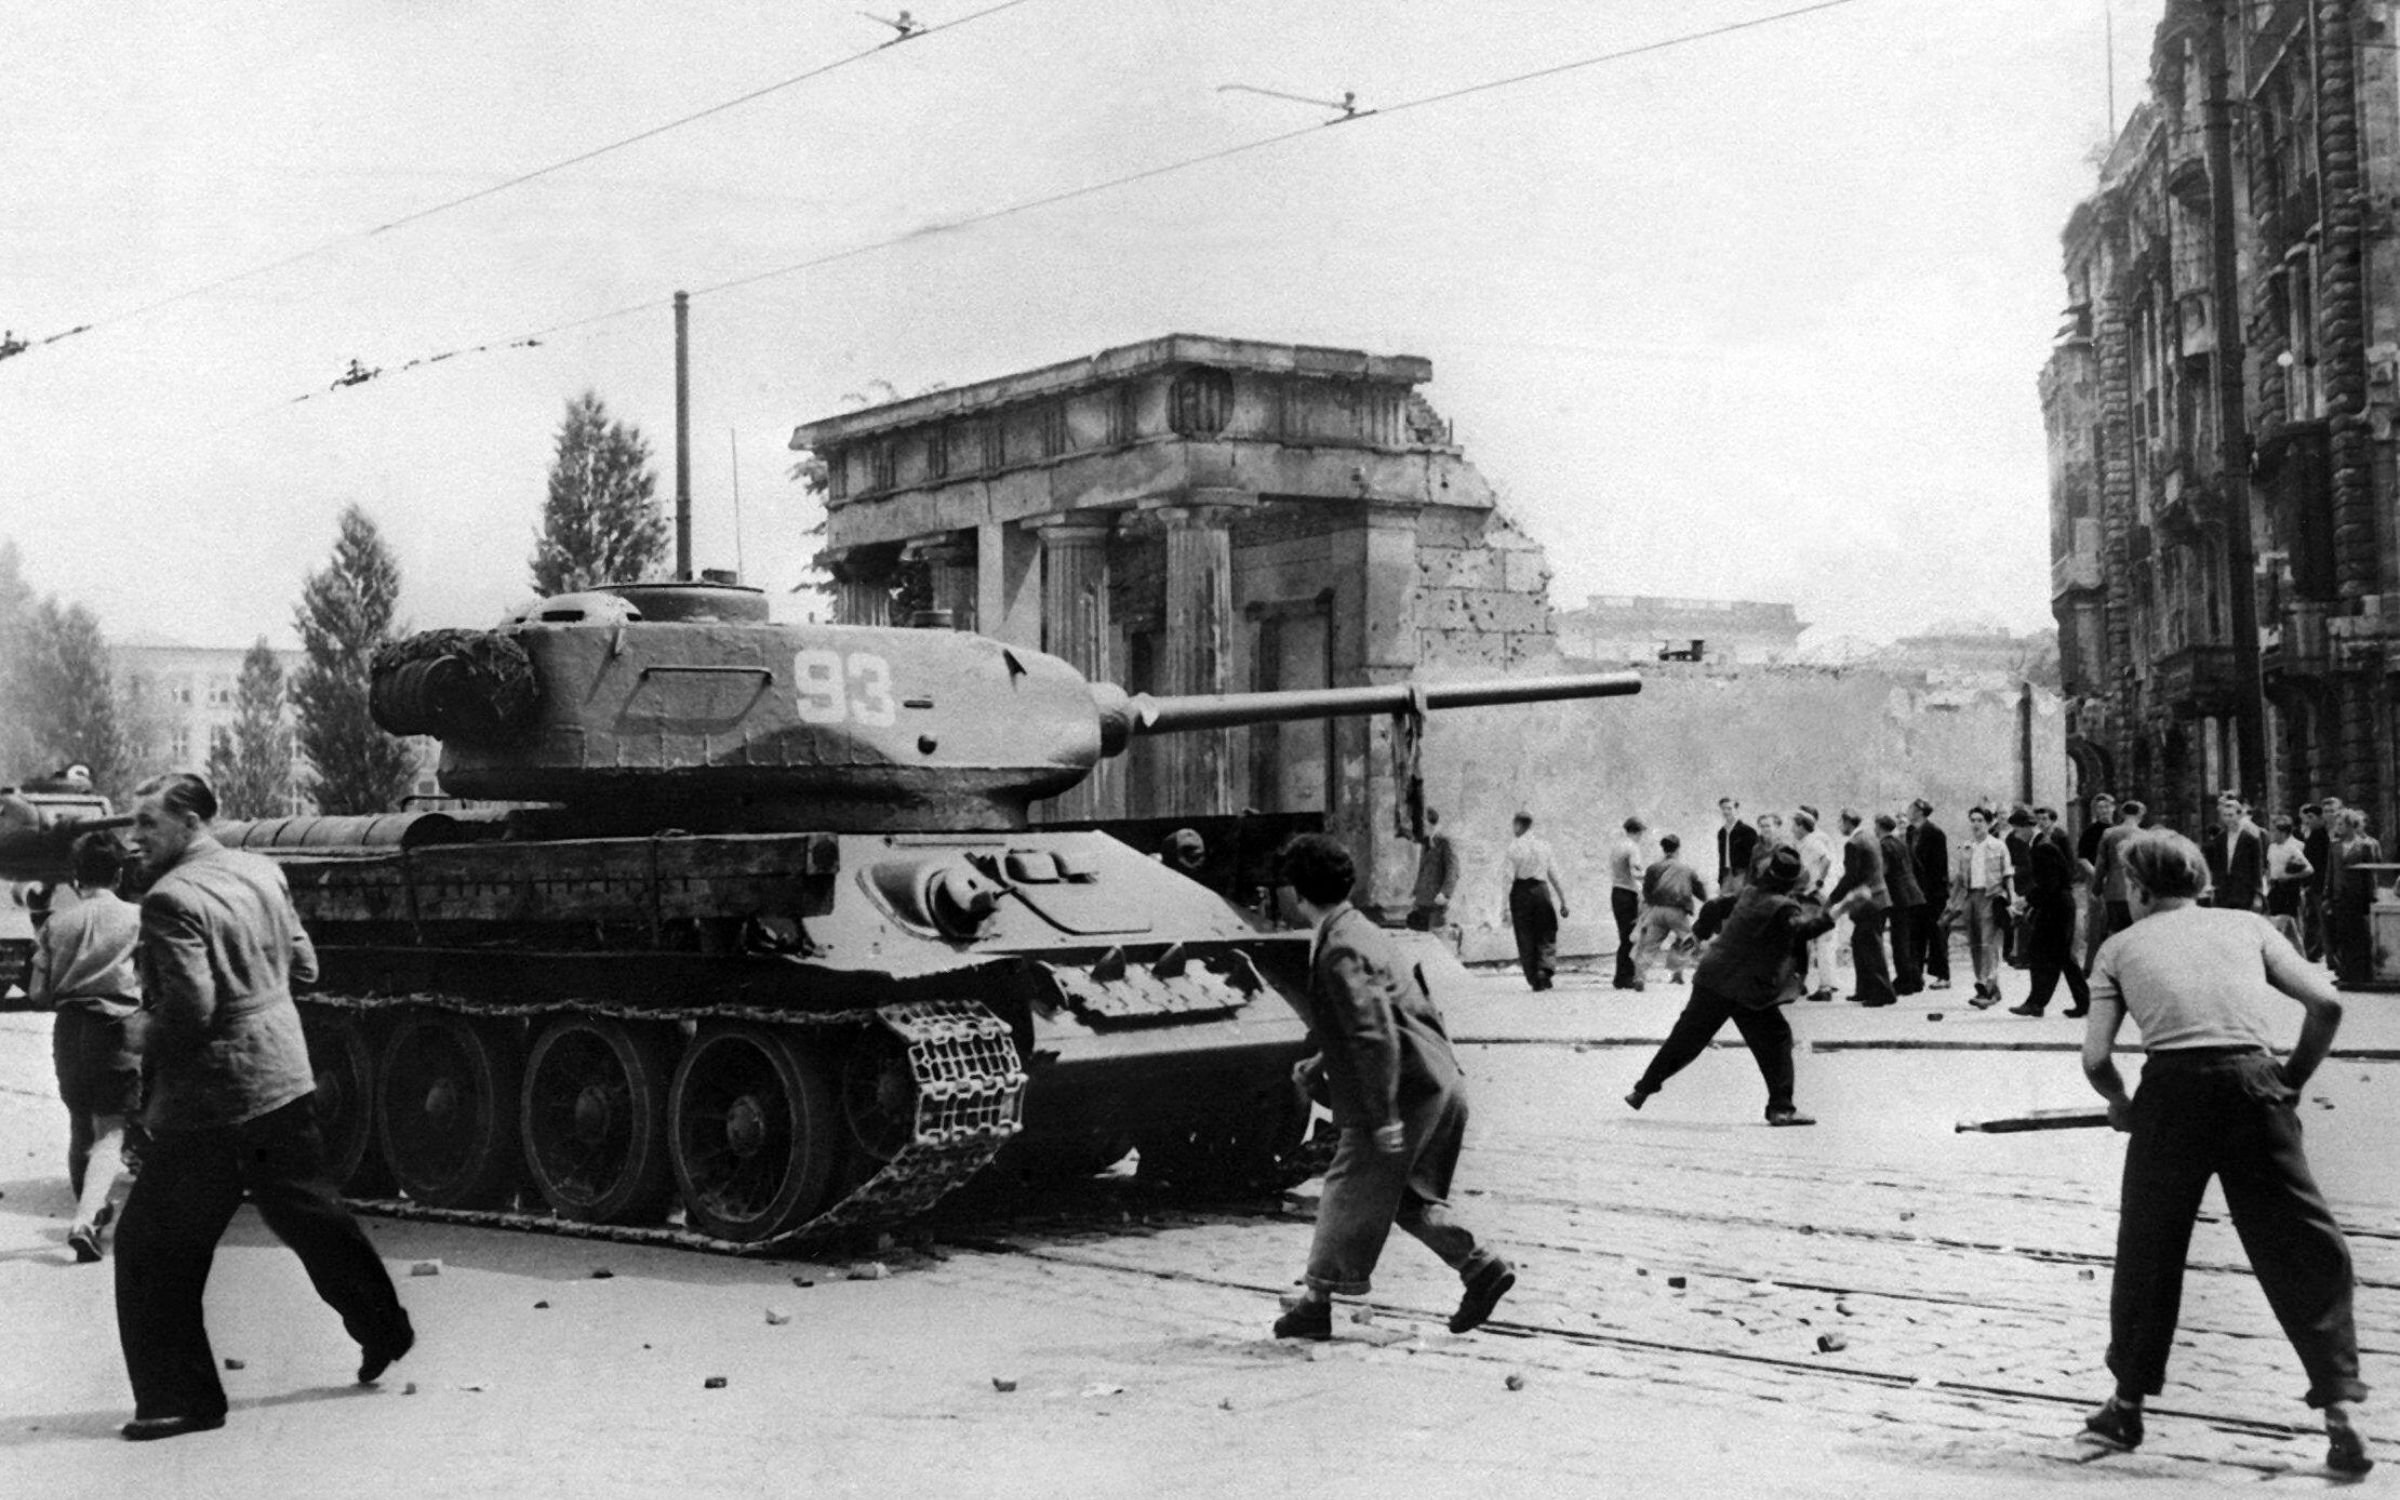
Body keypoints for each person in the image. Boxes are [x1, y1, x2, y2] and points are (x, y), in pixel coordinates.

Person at [113, 772, 416, 1442]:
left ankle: (180, 1401)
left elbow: (190, 1010)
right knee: (305, 1208)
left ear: (190, 821)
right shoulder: (260, 870)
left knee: (150, 1247)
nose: (135, 839)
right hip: (284, 1075)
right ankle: (384, 1327)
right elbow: (305, 969)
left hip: (212, 1099)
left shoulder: (169, 899)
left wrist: (142, 1030)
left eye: (147, 823)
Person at [2074, 830, 2371, 1477]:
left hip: (2170, 1098)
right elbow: (2326, 1002)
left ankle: (2126, 1405)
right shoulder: (2249, 925)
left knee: (2149, 1249)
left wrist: (2123, 1102)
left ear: (2141, 888)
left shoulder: (2118, 947)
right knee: (2303, 1244)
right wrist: (2288, 1079)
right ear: (2201, 882)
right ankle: (2341, 1413)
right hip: (2255, 1086)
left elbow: (2096, 1059)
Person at [1273, 834, 1515, 1342]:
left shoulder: (1338, 948)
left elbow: (1374, 1036)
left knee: (1345, 1185)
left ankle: (1314, 1305)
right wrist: (1321, 1060)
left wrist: (1382, 1118)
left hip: (1404, 1091)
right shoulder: (1361, 929)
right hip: (1435, 1077)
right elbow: (1385, 1016)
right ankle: (1481, 1268)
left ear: (1297, 892)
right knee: (1403, 1196)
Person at [1624, 844, 1869, 1126]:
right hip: (1748, 989)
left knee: (1685, 1039)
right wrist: (1843, 908)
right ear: (1790, 882)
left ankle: (1641, 1090)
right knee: (1776, 1038)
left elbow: (1715, 905)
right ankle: (1781, 1108)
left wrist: (1698, 934)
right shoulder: (1782, 906)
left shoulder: (1751, 892)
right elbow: (1802, 929)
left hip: (1713, 977)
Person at [31, 831, 142, 1262]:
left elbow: (39, 994)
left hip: (69, 1030)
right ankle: (84, 1220)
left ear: (76, 878)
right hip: (114, 1028)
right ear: (119, 873)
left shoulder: (57, 923)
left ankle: (91, 1215)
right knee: (111, 1130)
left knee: (80, 1125)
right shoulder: (138, 919)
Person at [2009, 806, 2092, 1018]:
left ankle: (2037, 1003)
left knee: (2042, 953)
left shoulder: (2041, 847)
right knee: (2061, 956)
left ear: (2026, 828)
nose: (2016, 835)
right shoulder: (2041, 844)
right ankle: (2081, 1003)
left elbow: (2050, 884)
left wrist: (2027, 900)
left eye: (2017, 830)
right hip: (2058, 905)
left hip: (2056, 907)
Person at [1827, 808, 1894, 1007]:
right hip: (1878, 898)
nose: (1839, 826)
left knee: (1870, 947)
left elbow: (1850, 877)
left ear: (1848, 822)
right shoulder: (1869, 837)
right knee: (1859, 943)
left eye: (1840, 822)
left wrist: (1832, 900)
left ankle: (1882, 993)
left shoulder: (1853, 843)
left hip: (1869, 902)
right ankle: (1864, 989)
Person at [1501, 812, 1568, 992]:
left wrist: (1505, 907)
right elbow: (1554, 875)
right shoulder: (1544, 846)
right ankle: (1544, 969)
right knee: (1547, 930)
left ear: (1519, 825)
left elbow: (1507, 879)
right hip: (1541, 890)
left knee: (1525, 935)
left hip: (1520, 892)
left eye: (1514, 825)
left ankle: (1534, 977)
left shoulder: (1513, 847)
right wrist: (1563, 900)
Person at [1630, 832, 1706, 988]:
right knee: (1686, 940)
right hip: (1677, 912)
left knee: (1650, 945)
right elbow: (1700, 891)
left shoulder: (1653, 868)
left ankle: (1640, 976)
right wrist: (1706, 900)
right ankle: (1677, 972)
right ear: (1678, 849)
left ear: (1663, 850)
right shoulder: (1686, 869)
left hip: (1657, 911)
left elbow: (1647, 891)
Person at [1962, 805, 2016, 1008]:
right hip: (1971, 897)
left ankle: (1988, 987)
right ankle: (1984, 986)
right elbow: (1961, 878)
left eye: (1980, 821)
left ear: (1988, 823)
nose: (1975, 824)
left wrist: (2011, 900)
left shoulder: (1998, 846)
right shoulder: (1967, 847)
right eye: (1973, 820)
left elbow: (2007, 874)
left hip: (1991, 896)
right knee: (1975, 943)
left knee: (1989, 944)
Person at [2327, 807, 2382, 988]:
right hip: (2339, 896)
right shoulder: (2334, 846)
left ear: (2351, 825)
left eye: (2341, 824)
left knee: (2359, 935)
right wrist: (2328, 895)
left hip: (2358, 897)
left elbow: (2370, 874)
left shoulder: (2364, 846)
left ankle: (2360, 974)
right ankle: (2345, 973)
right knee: (2341, 934)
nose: (2338, 827)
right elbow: (2331, 872)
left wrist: (2372, 896)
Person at [1793, 808, 1841, 1002]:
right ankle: (1826, 983)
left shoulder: (1814, 841)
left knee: (1823, 939)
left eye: (1795, 824)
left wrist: (1818, 884)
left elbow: (1827, 860)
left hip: (1820, 895)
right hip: (1818, 894)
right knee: (1820, 938)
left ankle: (1826, 986)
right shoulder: (1810, 840)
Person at [1877, 812, 1925, 995]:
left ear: (1880, 827)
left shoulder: (1884, 845)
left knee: (1900, 941)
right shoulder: (1900, 842)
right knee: (1910, 939)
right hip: (1912, 894)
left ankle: (1905, 981)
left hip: (1899, 897)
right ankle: (1915, 978)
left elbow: (1884, 870)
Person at [1907, 798, 1952, 990]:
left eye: (1911, 808)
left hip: (1933, 893)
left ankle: (1943, 975)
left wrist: (1933, 892)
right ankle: (1916, 975)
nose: (1908, 811)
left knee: (1936, 934)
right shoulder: (1910, 832)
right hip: (1915, 893)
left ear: (1920, 812)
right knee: (1916, 934)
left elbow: (1939, 866)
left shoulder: (1935, 833)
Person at [2203, 792, 2267, 913]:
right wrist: (2214, 887)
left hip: (2244, 891)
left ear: (2238, 815)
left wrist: (2258, 892)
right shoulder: (2219, 839)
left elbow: (2257, 866)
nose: (2228, 819)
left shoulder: (2251, 839)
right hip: (2223, 891)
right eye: (2225, 815)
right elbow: (2216, 865)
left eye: (2231, 815)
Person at [1607, 817, 1648, 990]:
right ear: (1638, 832)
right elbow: (1636, 872)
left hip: (1616, 891)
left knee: (1624, 936)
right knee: (1631, 937)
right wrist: (1650, 877)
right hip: (1628, 893)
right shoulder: (1633, 848)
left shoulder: (1617, 846)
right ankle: (1625, 977)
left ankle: (1621, 976)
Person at [2095, 798, 2145, 939]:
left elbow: (2101, 864)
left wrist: (2096, 889)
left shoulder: (2109, 833)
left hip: (2114, 889)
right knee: (2135, 934)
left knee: (2115, 933)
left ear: (2122, 814)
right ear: (2140, 815)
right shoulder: (2145, 836)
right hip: (2138, 891)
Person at [2078, 791, 2117, 968]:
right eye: (2099, 807)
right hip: (2096, 881)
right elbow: (2082, 857)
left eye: (2106, 807)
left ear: (2113, 808)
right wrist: (2097, 874)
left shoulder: (2117, 830)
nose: (2103, 811)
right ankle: (2091, 964)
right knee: (2096, 922)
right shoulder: (2090, 832)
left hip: (2116, 880)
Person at [2264, 812, 2315, 948]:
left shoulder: (2293, 848)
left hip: (2288, 889)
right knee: (2274, 925)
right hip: (2275, 889)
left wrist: (2290, 876)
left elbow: (2309, 869)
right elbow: (2270, 866)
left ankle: (2300, 954)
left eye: (2274, 831)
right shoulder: (2272, 847)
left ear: (2283, 832)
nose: (2272, 834)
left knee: (2292, 926)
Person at [1407, 808, 1460, 933]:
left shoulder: (1445, 842)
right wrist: (1416, 890)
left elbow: (1453, 871)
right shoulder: (1426, 843)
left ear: (1428, 823)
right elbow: (1422, 869)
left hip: (1436, 901)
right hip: (1422, 900)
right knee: (1420, 938)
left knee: (1435, 937)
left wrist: (1445, 893)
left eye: (1420, 823)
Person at [2299, 802, 2332, 960]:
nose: (2308, 821)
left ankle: (2320, 952)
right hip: (2312, 885)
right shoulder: (2312, 835)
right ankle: (2313, 951)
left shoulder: (2321, 836)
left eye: (2311, 817)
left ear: (2320, 818)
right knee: (2313, 919)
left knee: (2320, 921)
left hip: (2318, 885)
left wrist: (2312, 884)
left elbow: (2320, 864)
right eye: (2307, 818)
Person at [1715, 798, 1758, 898]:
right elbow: (1722, 857)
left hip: (1742, 874)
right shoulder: (1721, 832)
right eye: (1723, 809)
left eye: (1729, 808)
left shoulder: (1748, 831)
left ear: (1736, 810)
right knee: (1722, 903)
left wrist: (1750, 879)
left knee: (1739, 902)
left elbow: (1753, 857)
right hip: (1726, 875)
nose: (1726, 812)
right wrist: (1720, 878)